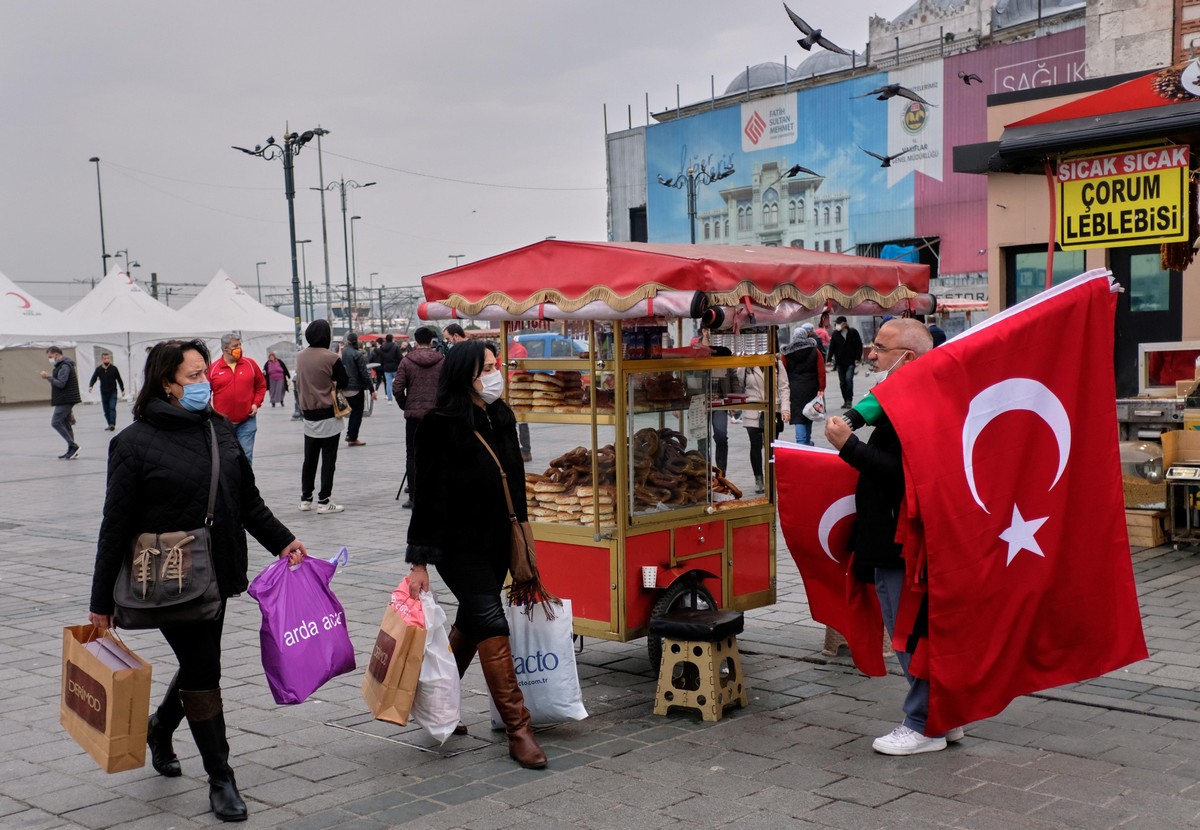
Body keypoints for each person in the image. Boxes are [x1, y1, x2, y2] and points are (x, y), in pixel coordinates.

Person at [87, 338, 307, 822]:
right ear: (166, 384)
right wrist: (100, 600)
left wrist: (284, 541)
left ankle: (161, 728)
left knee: (202, 663)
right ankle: (221, 778)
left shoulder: (219, 430)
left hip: (220, 570)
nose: (203, 382)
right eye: (192, 376)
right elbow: (115, 525)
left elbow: (247, 499)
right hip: (168, 577)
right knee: (205, 668)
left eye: (204, 373)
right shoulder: (132, 444)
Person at [405, 340, 547, 770]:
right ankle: (519, 730)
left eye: (496, 365)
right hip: (457, 546)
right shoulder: (438, 423)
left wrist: (520, 531)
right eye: (487, 366)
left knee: (471, 622)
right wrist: (420, 561)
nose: (495, 372)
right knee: (489, 618)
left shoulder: (501, 416)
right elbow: (427, 494)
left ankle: (436, 704)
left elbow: (515, 481)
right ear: (467, 374)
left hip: (499, 541)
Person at [823, 318, 962, 756]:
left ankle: (923, 724)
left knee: (908, 632)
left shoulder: (920, 404)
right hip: (897, 536)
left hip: (902, 541)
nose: (872, 355)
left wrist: (849, 447)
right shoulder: (908, 398)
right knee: (916, 628)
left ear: (909, 358)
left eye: (881, 348)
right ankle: (943, 717)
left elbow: (909, 476)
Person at [295, 320, 349, 514]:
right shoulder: (331, 357)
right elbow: (344, 380)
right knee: (328, 459)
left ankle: (305, 498)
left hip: (308, 415)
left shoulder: (300, 356)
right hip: (328, 414)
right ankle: (324, 500)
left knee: (309, 459)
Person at [393, 327, 445, 509]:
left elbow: (397, 388)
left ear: (415, 342)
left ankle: (414, 497)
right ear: (432, 341)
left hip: (414, 417)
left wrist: (406, 405)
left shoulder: (407, 361)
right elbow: (447, 387)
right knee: (436, 454)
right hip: (436, 415)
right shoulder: (442, 361)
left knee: (413, 455)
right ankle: (436, 493)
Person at [207, 333, 266, 463]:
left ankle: (246, 483)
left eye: (240, 345)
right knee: (226, 458)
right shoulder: (213, 369)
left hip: (247, 421)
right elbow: (205, 393)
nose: (239, 348)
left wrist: (256, 404)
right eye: (235, 346)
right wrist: (211, 412)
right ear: (225, 349)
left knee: (246, 457)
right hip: (223, 423)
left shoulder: (250, 364)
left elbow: (261, 386)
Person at [738, 355, 790, 494]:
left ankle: (770, 478)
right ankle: (758, 479)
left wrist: (785, 409)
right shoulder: (747, 363)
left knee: (771, 446)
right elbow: (739, 384)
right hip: (752, 409)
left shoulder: (777, 363)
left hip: (772, 409)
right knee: (755, 445)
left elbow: (784, 387)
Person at [782, 328, 825, 446]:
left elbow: (783, 372)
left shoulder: (787, 353)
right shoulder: (815, 351)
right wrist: (821, 388)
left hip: (794, 388)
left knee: (798, 416)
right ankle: (806, 442)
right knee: (809, 413)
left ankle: (801, 442)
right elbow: (821, 371)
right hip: (811, 387)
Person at [41, 345, 82, 458]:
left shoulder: (64, 366)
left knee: (55, 422)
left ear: (56, 354)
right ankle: (72, 450)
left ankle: (73, 446)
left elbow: (61, 383)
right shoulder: (62, 365)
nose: (50, 359)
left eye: (50, 356)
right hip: (65, 399)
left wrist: (48, 377)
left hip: (66, 399)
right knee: (66, 424)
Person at [340, 332, 376, 447]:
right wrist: (371, 389)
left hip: (343, 387)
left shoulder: (341, 352)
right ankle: (352, 437)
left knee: (347, 412)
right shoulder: (357, 354)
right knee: (356, 413)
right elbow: (364, 374)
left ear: (347, 341)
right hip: (355, 388)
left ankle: (348, 435)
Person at [828, 316, 864, 408]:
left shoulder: (853, 332)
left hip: (850, 361)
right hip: (840, 362)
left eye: (839, 323)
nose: (837, 325)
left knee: (848, 380)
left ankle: (849, 400)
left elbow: (859, 345)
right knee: (842, 382)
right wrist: (828, 359)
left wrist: (857, 357)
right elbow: (832, 347)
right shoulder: (835, 334)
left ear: (844, 324)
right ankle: (845, 400)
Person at [506, 337, 533, 461]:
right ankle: (512, 449)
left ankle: (526, 450)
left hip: (518, 391)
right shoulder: (504, 350)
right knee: (508, 421)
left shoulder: (519, 349)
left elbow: (518, 371)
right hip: (506, 390)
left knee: (522, 420)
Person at [88, 351, 126, 431]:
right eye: (105, 358)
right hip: (104, 392)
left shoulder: (114, 368)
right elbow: (94, 378)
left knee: (112, 408)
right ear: (102, 359)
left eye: (108, 358)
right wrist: (91, 386)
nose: (107, 360)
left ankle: (112, 424)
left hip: (113, 391)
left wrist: (122, 389)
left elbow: (119, 379)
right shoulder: (99, 369)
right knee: (106, 410)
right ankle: (109, 424)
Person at [377, 334, 403, 401]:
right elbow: (400, 357)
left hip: (386, 368)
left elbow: (380, 359)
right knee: (398, 382)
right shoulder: (395, 346)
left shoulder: (382, 348)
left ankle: (390, 398)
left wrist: (383, 366)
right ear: (392, 339)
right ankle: (399, 396)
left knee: (388, 383)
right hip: (395, 367)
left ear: (386, 339)